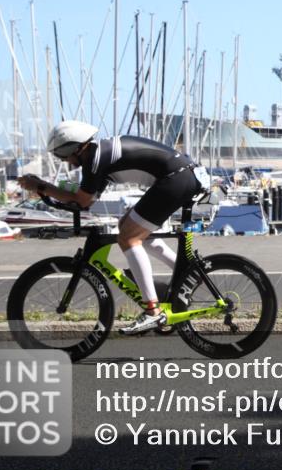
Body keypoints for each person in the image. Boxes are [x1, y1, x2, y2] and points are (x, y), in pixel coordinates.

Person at [18, 120, 206, 335]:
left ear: (75, 148)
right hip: (180, 175)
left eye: (62, 156)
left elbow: (81, 200)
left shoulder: (96, 159)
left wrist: (41, 186)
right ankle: (189, 274)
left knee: (128, 238)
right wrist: (45, 189)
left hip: (176, 178)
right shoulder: (99, 155)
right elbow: (85, 200)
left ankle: (152, 311)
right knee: (127, 226)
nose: (65, 162)